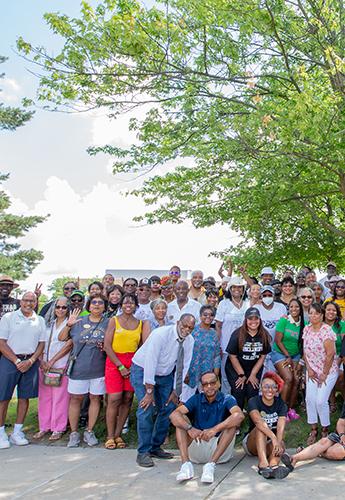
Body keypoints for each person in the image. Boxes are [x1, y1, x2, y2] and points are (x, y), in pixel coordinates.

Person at [130, 314, 195, 467]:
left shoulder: (189, 341)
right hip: (143, 370)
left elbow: (184, 366)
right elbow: (150, 360)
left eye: (190, 328)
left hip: (165, 374)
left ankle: (155, 447)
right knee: (147, 408)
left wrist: (176, 390)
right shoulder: (160, 334)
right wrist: (149, 391)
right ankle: (143, 452)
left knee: (169, 408)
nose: (186, 330)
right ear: (178, 322)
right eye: (184, 326)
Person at [170, 371, 244, 484]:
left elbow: (239, 416)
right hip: (198, 444)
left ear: (219, 383)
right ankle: (186, 465)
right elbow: (173, 415)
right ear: (202, 387)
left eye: (212, 383)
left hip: (219, 450)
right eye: (205, 384)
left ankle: (210, 466)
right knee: (180, 421)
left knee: (232, 424)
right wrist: (190, 428)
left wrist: (214, 429)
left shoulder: (227, 398)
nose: (209, 386)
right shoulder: (196, 398)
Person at [60, 296, 109, 448]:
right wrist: (68, 324)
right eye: (94, 302)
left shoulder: (109, 323)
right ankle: (74, 433)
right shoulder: (79, 322)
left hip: (98, 369)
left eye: (101, 303)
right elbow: (61, 337)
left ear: (104, 306)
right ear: (89, 305)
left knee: (95, 399)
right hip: (79, 368)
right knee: (75, 399)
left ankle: (89, 430)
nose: (97, 305)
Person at [104, 293, 150, 449]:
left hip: (133, 363)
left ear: (136, 305)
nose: (128, 305)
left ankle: (118, 435)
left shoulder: (140, 324)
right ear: (121, 305)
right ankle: (109, 435)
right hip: (115, 362)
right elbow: (107, 346)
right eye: (125, 302)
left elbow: (142, 346)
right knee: (114, 398)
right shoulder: (114, 321)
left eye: (131, 302)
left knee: (128, 398)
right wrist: (120, 366)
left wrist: (134, 365)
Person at [0, 292, 45, 448]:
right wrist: (16, 361)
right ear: (21, 301)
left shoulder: (39, 320)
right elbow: (2, 342)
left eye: (32, 301)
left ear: (36, 302)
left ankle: (17, 432)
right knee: (3, 397)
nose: (28, 303)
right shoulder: (9, 318)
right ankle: (1, 433)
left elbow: (41, 344)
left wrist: (31, 360)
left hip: (30, 361)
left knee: (24, 397)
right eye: (26, 300)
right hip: (10, 360)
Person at [34, 297, 72, 441]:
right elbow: (40, 343)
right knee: (45, 398)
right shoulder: (47, 324)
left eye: (64, 307)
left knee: (60, 398)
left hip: (61, 365)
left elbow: (69, 345)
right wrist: (42, 361)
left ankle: (58, 428)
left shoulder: (70, 325)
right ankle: (44, 426)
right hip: (44, 365)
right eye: (58, 307)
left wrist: (53, 361)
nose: (60, 310)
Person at [242, 371, 290, 479]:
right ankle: (263, 464)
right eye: (266, 386)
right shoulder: (253, 401)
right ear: (261, 388)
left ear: (277, 389)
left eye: (273, 387)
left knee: (281, 443)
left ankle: (273, 467)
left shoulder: (281, 404)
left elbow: (281, 425)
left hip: (269, 442)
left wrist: (278, 441)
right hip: (252, 442)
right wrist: (273, 437)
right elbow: (258, 422)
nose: (270, 390)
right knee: (262, 428)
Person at [303, 303, 338, 444]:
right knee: (310, 400)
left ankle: (325, 430)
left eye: (316, 313)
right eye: (311, 313)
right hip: (312, 371)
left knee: (321, 401)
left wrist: (324, 373)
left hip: (328, 371)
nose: (313, 316)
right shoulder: (307, 329)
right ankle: (313, 429)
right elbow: (305, 351)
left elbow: (331, 354)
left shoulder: (326, 330)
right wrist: (309, 369)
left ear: (321, 315)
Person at [225, 307, 271, 409]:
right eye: (250, 319)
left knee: (252, 390)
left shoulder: (264, 335)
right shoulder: (237, 334)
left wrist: (253, 374)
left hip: (254, 367)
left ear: (260, 320)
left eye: (256, 318)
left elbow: (263, 356)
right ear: (246, 320)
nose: (253, 321)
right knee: (239, 390)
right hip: (235, 367)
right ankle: (236, 418)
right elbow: (232, 356)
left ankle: (253, 420)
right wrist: (241, 375)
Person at [281, 401, 345, 469]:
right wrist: (342, 435)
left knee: (336, 452)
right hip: (341, 435)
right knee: (324, 442)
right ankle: (293, 459)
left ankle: (311, 452)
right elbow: (341, 423)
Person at [215, 276, 249, 393]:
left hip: (244, 345)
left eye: (240, 287)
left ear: (243, 289)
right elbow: (218, 326)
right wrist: (218, 344)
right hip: (226, 346)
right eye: (234, 287)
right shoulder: (224, 304)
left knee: (242, 373)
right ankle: (226, 400)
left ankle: (239, 401)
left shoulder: (247, 304)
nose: (237, 289)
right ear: (230, 288)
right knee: (225, 376)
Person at [271, 299, 304, 420]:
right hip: (280, 353)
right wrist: (288, 357)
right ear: (288, 308)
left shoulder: (303, 323)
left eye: (296, 307)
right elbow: (278, 341)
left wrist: (298, 360)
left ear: (300, 309)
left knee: (296, 379)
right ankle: (281, 411)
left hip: (295, 355)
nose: (294, 309)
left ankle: (290, 409)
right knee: (288, 378)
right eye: (291, 307)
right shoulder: (284, 320)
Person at [181, 305, 221, 402]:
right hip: (191, 371)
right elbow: (183, 351)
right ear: (200, 316)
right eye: (205, 314)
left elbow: (216, 355)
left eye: (211, 315)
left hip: (206, 372)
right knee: (185, 400)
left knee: (206, 400)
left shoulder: (214, 333)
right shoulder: (193, 331)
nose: (208, 317)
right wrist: (184, 371)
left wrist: (215, 375)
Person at [323, 301, 345, 412]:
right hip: (323, 357)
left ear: (337, 313)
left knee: (340, 376)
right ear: (324, 311)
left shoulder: (341, 325)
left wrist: (338, 361)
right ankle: (332, 403)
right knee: (327, 374)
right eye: (328, 309)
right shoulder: (319, 324)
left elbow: (344, 344)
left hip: (340, 356)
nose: (331, 312)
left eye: (334, 310)